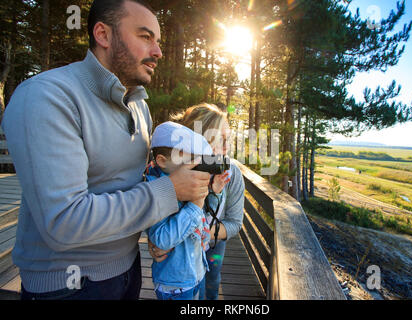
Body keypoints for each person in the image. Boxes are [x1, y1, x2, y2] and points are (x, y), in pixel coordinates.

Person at [0, 0, 210, 300]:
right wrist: (169, 192)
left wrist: (158, 229)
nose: (158, 52)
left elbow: (132, 184)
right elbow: (64, 221)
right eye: (145, 37)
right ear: (103, 34)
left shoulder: (139, 105)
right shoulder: (47, 97)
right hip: (68, 285)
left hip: (129, 269)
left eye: (159, 42)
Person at [148, 103, 245, 300]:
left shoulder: (231, 173)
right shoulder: (174, 171)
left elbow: (235, 223)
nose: (227, 148)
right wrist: (155, 237)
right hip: (179, 270)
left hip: (213, 242)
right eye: (221, 140)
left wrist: (187, 238)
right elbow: (152, 204)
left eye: (229, 140)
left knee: (211, 282)